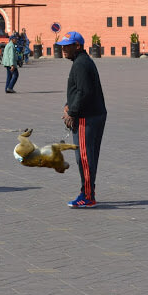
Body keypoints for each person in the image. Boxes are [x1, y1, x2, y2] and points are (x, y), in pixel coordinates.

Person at [58, 31, 107, 208]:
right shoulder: (82, 62)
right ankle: (87, 191)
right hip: (94, 114)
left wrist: (72, 112)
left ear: (77, 46)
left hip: (87, 117)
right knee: (88, 157)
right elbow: (81, 89)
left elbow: (84, 92)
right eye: (62, 46)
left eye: (67, 46)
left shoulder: (81, 64)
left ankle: (87, 195)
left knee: (84, 158)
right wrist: (68, 104)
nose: (63, 49)